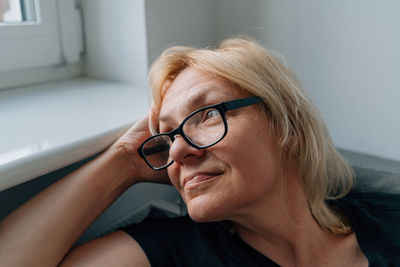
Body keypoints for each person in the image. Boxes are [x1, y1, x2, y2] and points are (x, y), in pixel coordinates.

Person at [0, 37, 398, 267]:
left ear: (286, 126)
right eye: (168, 134)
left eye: (206, 114)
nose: (178, 151)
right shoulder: (168, 251)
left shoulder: (389, 220)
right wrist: (122, 161)